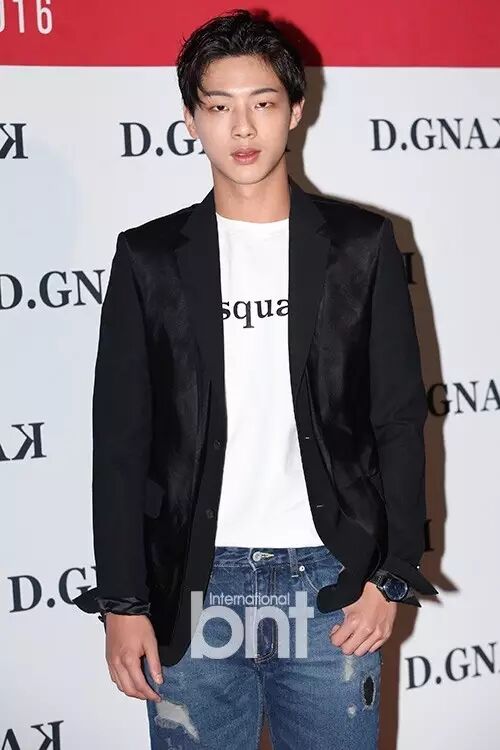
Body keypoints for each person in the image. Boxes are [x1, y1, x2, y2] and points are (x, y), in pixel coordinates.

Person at [74, 8, 439, 749]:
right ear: (191, 119)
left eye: (263, 103)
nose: (242, 128)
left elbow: (398, 419)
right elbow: (120, 443)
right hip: (192, 589)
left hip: (331, 586)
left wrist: (392, 575)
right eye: (219, 107)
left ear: (296, 110)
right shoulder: (148, 259)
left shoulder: (361, 246)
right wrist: (124, 602)